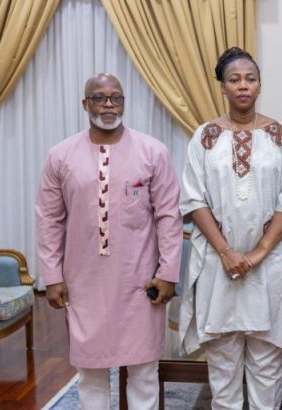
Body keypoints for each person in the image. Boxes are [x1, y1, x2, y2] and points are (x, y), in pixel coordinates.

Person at [35, 73, 183, 409]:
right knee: (91, 372)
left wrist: (168, 272)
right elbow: (48, 220)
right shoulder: (60, 156)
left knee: (144, 370)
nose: (108, 105)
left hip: (139, 280)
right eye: (99, 98)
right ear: (84, 104)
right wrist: (53, 277)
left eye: (116, 97)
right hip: (83, 282)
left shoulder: (152, 151)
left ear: (124, 103)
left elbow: (169, 216)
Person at [178, 47, 282, 409]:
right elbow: (193, 199)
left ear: (260, 85)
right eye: (234, 79)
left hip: (271, 265)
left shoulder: (281, 135)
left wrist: (256, 254)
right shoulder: (204, 136)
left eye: (250, 79)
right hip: (218, 266)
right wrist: (227, 252)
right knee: (223, 373)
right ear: (222, 86)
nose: (243, 85)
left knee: (268, 372)